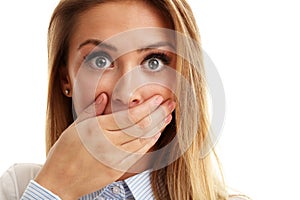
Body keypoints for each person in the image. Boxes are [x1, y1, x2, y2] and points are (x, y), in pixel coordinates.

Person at [0, 0, 244, 199]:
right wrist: (54, 189)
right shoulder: (17, 188)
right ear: (66, 79)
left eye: (154, 62)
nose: (127, 94)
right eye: (100, 61)